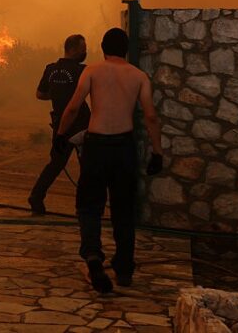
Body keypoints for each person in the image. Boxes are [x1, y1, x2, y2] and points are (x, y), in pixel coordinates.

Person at [56, 27, 163, 293]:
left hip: (97, 144)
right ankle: (124, 268)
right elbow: (150, 116)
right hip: (123, 147)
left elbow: (73, 107)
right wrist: (157, 152)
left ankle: (93, 256)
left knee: (90, 204)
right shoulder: (139, 77)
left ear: (103, 48)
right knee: (123, 209)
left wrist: (60, 135)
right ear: (126, 49)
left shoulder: (91, 71)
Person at [28, 34, 90, 216]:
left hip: (60, 125)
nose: (85, 52)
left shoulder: (50, 69)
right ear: (72, 49)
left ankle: (36, 197)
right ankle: (83, 207)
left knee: (55, 164)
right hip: (81, 126)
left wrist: (56, 95)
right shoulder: (82, 71)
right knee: (87, 167)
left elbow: (40, 94)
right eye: (82, 49)